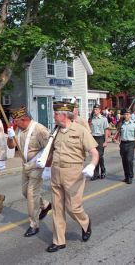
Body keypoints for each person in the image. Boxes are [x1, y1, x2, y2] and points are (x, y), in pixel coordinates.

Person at [44, 101, 99, 253]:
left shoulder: (80, 130)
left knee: (73, 207)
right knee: (57, 207)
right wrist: (46, 167)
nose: (54, 116)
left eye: (56, 114)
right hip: (56, 172)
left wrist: (92, 166)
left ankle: (85, 222)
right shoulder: (55, 131)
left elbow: (94, 153)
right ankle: (58, 241)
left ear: (64, 115)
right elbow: (50, 151)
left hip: (73, 174)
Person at [6, 106, 52, 237]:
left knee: (31, 194)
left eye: (16, 121)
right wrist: (10, 136)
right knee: (25, 192)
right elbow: (11, 146)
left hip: (37, 166)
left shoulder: (39, 130)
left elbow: (50, 148)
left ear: (24, 119)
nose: (14, 123)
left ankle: (34, 225)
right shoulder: (18, 129)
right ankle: (46, 205)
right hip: (25, 165)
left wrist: (47, 168)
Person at [118, 109, 135, 184]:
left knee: (129, 160)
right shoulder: (121, 124)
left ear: (131, 115)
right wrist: (118, 141)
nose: (126, 116)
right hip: (123, 144)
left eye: (128, 114)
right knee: (124, 161)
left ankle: (130, 176)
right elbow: (119, 134)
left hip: (131, 144)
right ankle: (126, 176)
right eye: (125, 114)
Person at [90, 104, 109, 180]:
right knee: (94, 156)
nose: (95, 110)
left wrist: (106, 141)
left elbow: (106, 130)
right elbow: (90, 129)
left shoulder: (104, 119)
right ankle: (96, 174)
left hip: (101, 138)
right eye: (94, 109)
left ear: (100, 110)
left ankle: (103, 171)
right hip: (93, 138)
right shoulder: (92, 118)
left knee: (100, 156)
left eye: (96, 109)